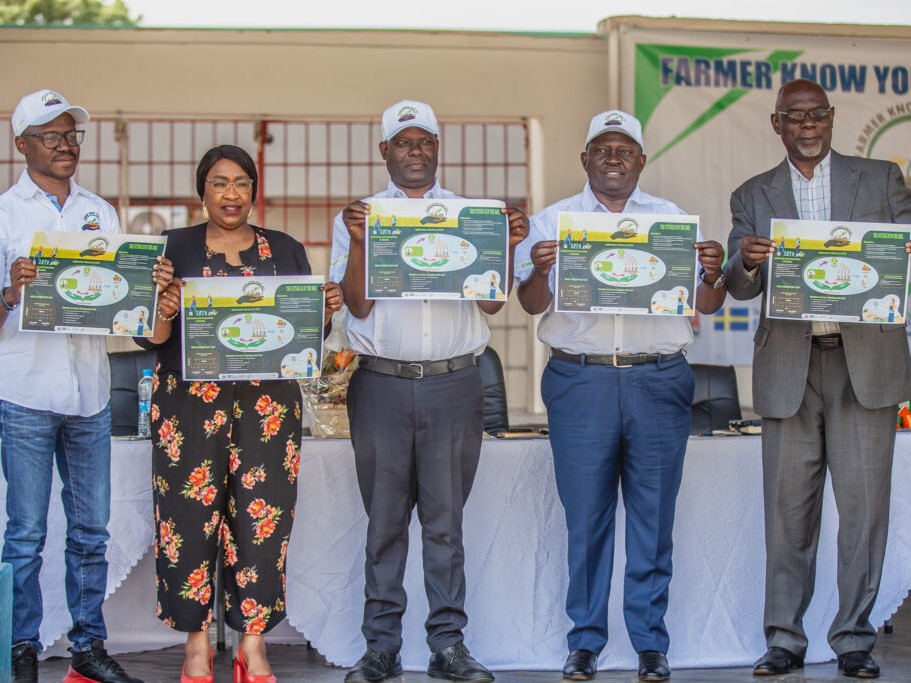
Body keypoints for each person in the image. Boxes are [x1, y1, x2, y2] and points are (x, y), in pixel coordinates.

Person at [514, 110, 727, 682]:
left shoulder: (673, 222)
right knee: (586, 519)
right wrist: (537, 270)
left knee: (653, 520)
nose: (613, 157)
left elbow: (706, 306)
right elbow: (532, 304)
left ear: (641, 160)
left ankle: (650, 644)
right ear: (585, 159)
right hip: (580, 379)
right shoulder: (551, 222)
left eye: (624, 148)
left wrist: (713, 273)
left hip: (657, 378)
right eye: (602, 148)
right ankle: (584, 642)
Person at [330, 100, 529, 683]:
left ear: (437, 151)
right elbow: (358, 304)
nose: (415, 152)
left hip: (453, 383)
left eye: (425, 143)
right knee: (384, 523)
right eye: (403, 142)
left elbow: (493, 299)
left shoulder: (471, 215)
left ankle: (448, 645)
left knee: (445, 524)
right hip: (381, 384)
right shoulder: (362, 216)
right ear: (384, 151)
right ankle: (380, 648)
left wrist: (508, 241)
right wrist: (361, 240)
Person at [723, 79, 911, 679]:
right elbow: (737, 282)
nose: (808, 124)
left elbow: (905, 250)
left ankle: (854, 638)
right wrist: (747, 261)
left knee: (863, 513)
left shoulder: (881, 179)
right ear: (776, 124)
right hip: (790, 369)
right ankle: (785, 639)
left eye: (818, 114)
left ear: (831, 119)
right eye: (795, 116)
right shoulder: (753, 194)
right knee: (788, 513)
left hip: (866, 365)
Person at [139, 145, 342, 683]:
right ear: (201, 191)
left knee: (263, 521)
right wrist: (162, 308)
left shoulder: (287, 250)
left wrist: (322, 311)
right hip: (187, 408)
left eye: (242, 183)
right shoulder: (170, 248)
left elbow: (305, 342)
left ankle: (253, 645)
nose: (232, 194)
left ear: (254, 190)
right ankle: (197, 644)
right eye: (220, 183)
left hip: (267, 407)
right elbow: (150, 337)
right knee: (186, 522)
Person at [0, 89, 169, 683]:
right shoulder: (4, 214)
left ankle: (89, 647)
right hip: (23, 391)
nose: (66, 145)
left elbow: (125, 308)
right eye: (52, 135)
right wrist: (10, 294)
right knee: (25, 534)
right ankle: (18, 646)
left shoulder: (101, 212)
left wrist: (147, 286)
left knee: (90, 532)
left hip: (90, 393)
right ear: (21, 144)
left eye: (72, 135)